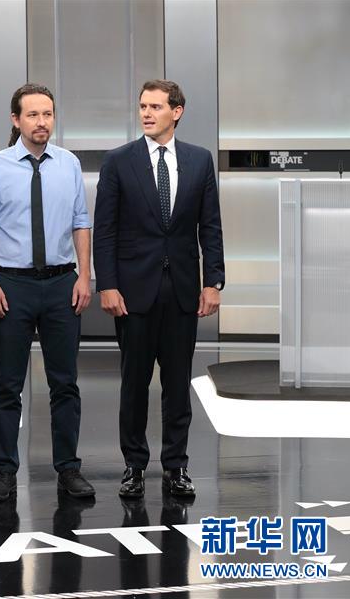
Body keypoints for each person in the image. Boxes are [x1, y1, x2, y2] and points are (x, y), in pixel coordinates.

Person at [93, 79, 224, 498]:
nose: (147, 114)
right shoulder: (119, 161)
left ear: (177, 111)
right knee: (134, 383)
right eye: (143, 106)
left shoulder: (200, 160)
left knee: (177, 384)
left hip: (182, 290)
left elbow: (210, 226)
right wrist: (107, 284)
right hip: (133, 291)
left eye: (155, 107)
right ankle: (133, 466)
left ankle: (176, 466)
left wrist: (213, 281)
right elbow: (105, 231)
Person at [0, 83, 95, 501]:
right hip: (12, 285)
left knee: (65, 384)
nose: (42, 122)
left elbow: (81, 221)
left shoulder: (69, 164)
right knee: (8, 384)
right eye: (33, 115)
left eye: (47, 114)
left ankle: (68, 468)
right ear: (16, 119)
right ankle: (5, 471)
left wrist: (84, 276)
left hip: (62, 283)